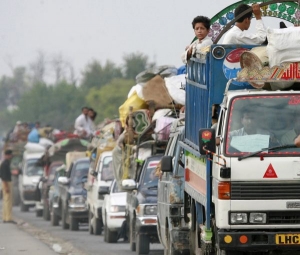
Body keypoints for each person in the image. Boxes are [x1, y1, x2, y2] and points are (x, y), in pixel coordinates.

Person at [0, 149, 15, 223]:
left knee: (6, 201)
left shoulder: (6, 163)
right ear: (7, 155)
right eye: (10, 155)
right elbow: (3, 177)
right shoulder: (4, 164)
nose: (11, 156)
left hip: (6, 182)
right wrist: (6, 186)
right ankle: (8, 218)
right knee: (7, 201)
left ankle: (6, 217)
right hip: (6, 183)